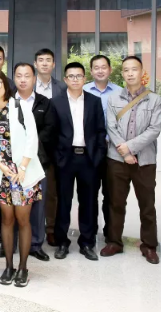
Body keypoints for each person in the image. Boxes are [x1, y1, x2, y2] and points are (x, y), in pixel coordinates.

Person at [0, 69, 44, 287]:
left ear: (4, 84)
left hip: (23, 174)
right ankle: (8, 266)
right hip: (3, 175)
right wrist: (1, 167)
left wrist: (22, 167)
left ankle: (23, 267)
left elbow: (32, 139)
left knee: (23, 220)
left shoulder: (20, 107)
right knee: (6, 221)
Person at [102, 56, 161, 264]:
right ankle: (114, 242)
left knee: (147, 205)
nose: (130, 73)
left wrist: (130, 148)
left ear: (141, 72)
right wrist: (124, 152)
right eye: (126, 70)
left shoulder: (154, 99)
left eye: (134, 69)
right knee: (115, 202)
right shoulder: (113, 98)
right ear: (122, 73)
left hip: (145, 161)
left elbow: (154, 129)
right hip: (117, 160)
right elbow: (111, 126)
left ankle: (149, 245)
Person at [52, 62, 107, 261]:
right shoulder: (56, 102)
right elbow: (51, 133)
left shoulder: (94, 101)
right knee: (63, 202)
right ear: (65, 79)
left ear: (85, 78)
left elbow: (101, 130)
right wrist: (57, 157)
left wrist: (98, 155)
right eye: (71, 76)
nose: (75, 79)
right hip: (65, 159)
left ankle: (87, 243)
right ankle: (62, 242)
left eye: (79, 76)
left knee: (89, 202)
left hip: (88, 159)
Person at [11, 63, 57, 263]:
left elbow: (49, 130)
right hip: (12, 164)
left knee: (37, 205)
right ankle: (10, 243)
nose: (23, 80)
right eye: (19, 76)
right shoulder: (7, 102)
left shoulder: (44, 102)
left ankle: (36, 244)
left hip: (38, 162)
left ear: (34, 78)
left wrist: (30, 147)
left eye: (27, 76)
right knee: (11, 203)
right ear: (14, 78)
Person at [83, 54, 121, 236]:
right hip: (89, 150)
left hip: (113, 149)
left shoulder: (120, 92)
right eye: (96, 68)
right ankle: (90, 234)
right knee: (89, 194)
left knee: (112, 194)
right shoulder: (82, 90)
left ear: (110, 70)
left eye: (103, 67)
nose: (100, 71)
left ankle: (110, 233)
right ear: (91, 71)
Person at [33, 48, 64, 247]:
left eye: (48, 60)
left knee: (51, 192)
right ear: (35, 64)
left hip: (54, 148)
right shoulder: (26, 85)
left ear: (53, 64)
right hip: (29, 149)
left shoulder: (62, 87)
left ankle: (50, 229)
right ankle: (30, 229)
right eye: (41, 60)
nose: (44, 63)